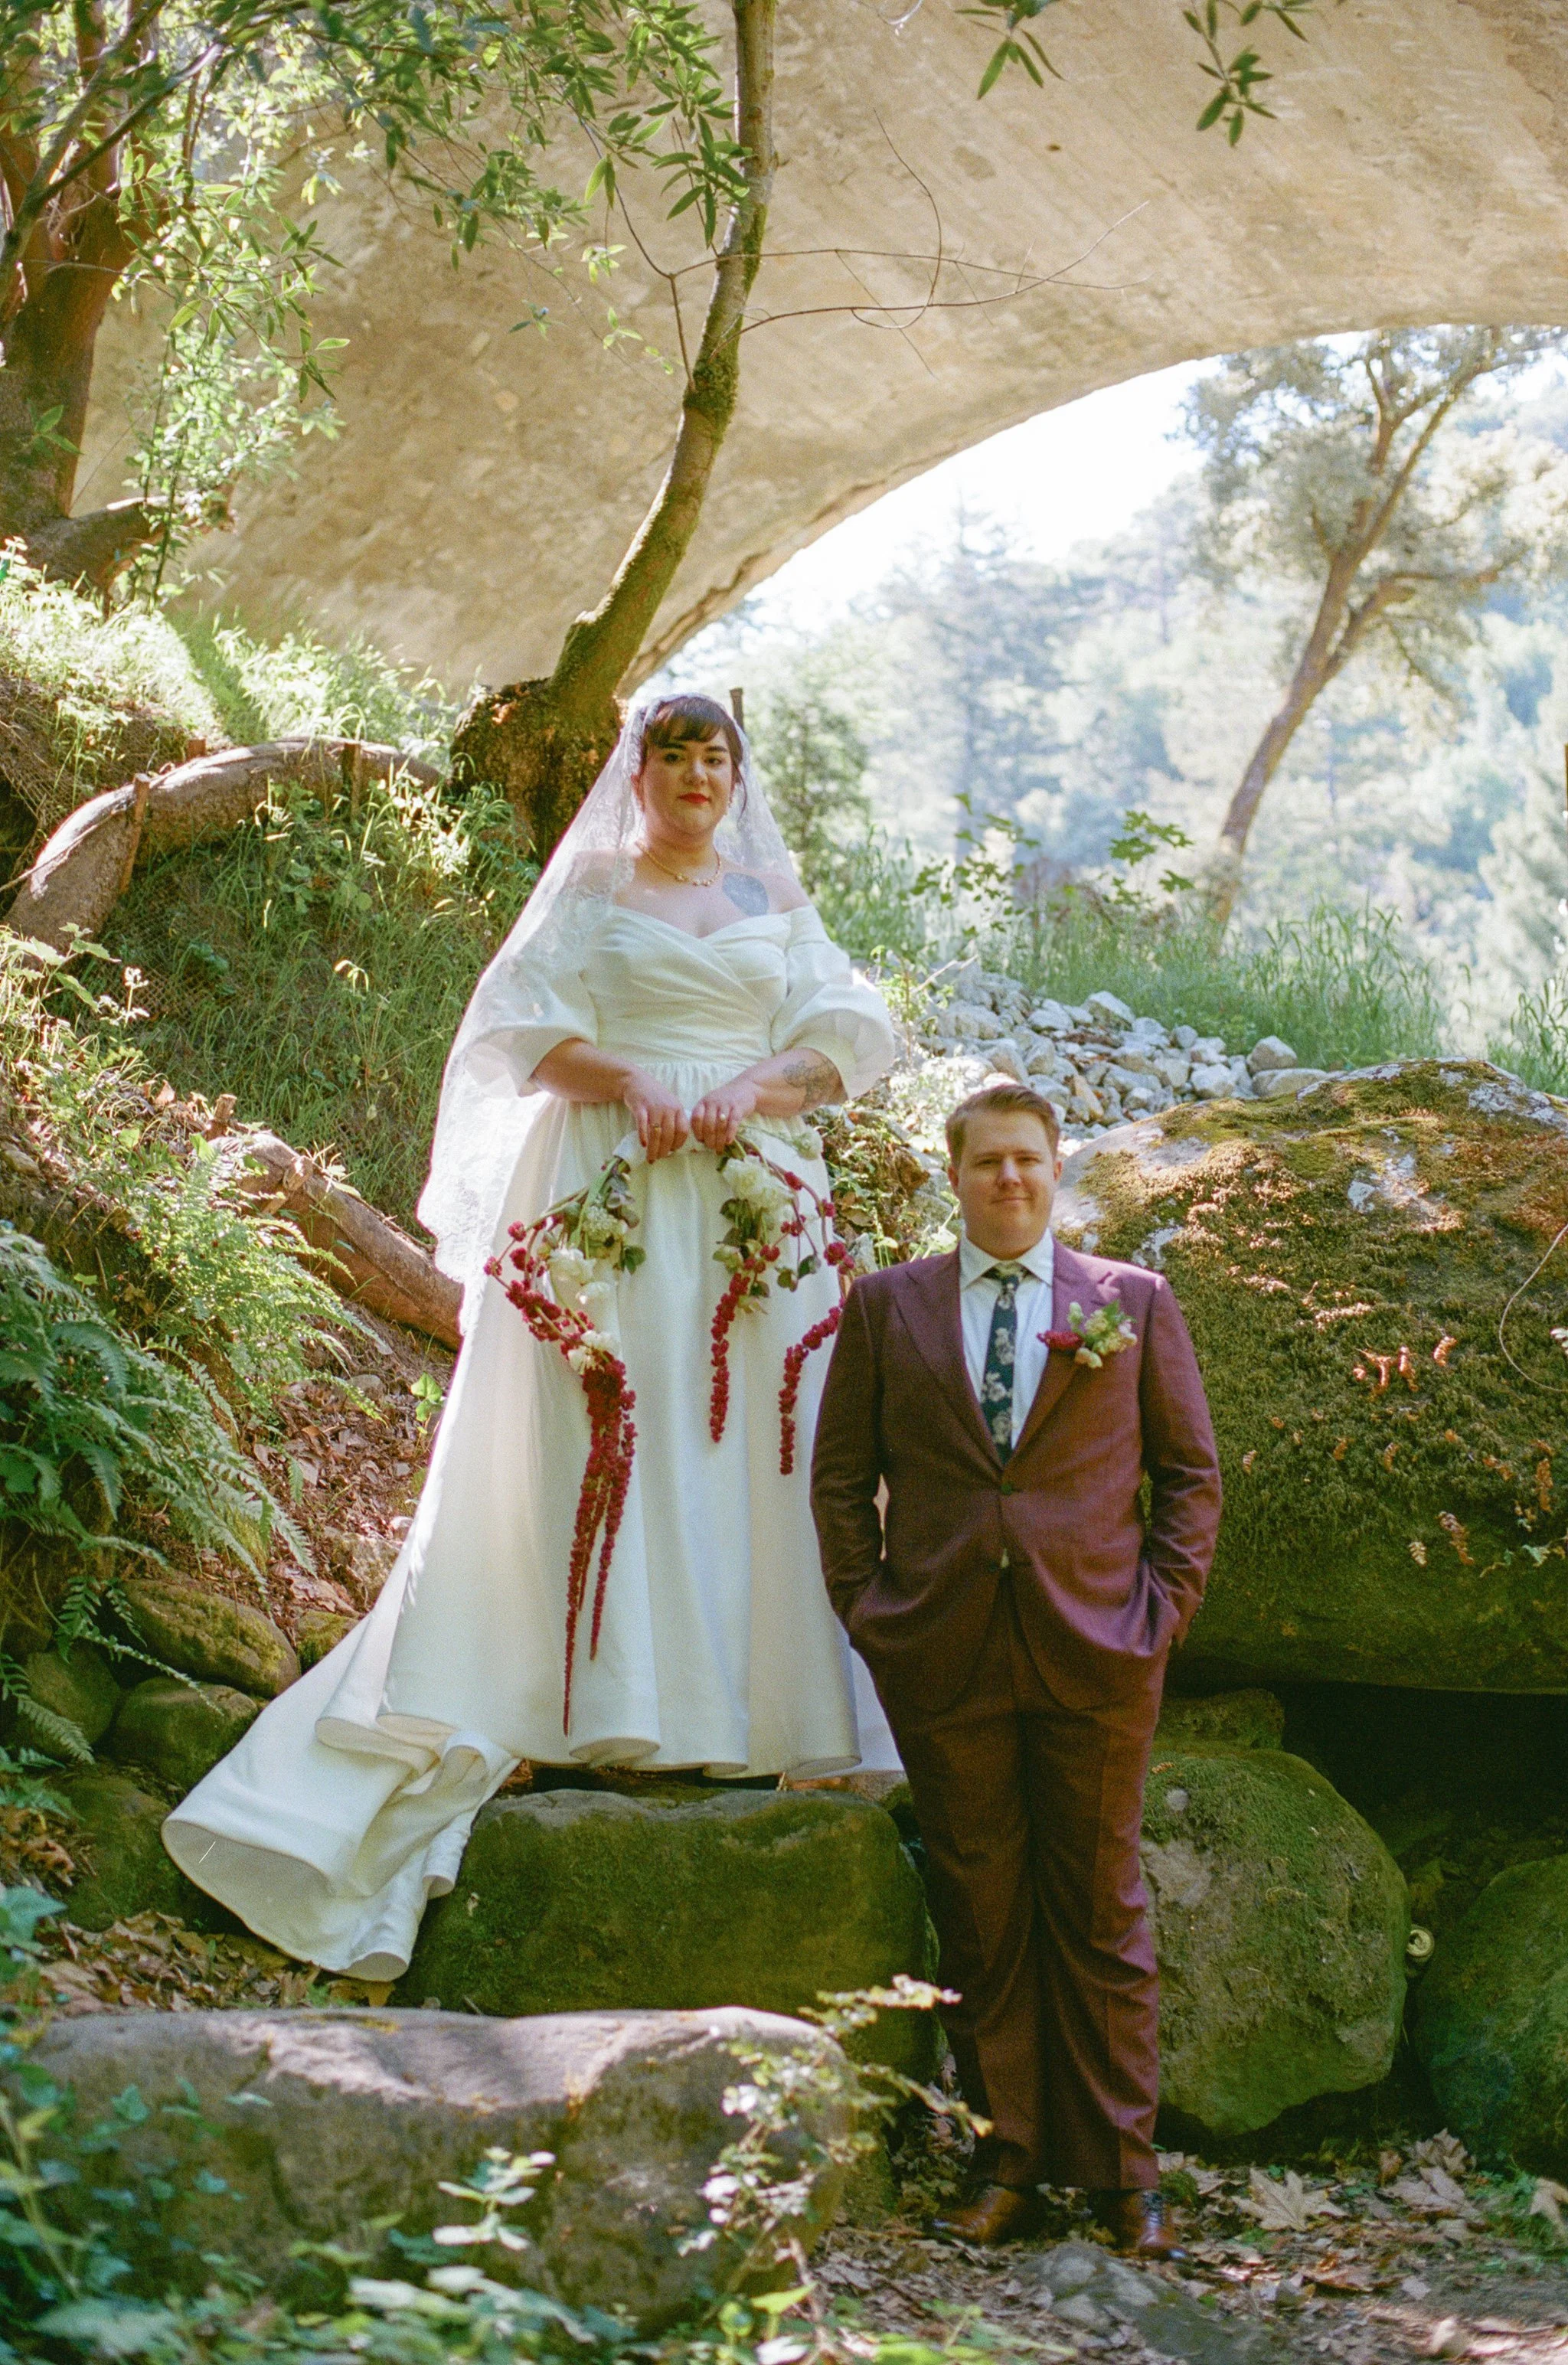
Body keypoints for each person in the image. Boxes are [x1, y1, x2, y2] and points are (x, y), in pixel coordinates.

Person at [163, 693, 900, 1981]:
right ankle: (602, 1697)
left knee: (757, 1431)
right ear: (643, 772)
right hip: (608, 1180)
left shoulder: (774, 892)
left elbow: (848, 1037)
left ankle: (760, 1706)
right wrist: (636, 1081)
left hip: (754, 1189)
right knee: (610, 1424)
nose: (694, 774)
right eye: (672, 755)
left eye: (713, 756)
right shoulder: (598, 889)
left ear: (736, 776)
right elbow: (520, 1033)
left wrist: (744, 1089)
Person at [809, 1082, 1222, 2256]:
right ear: (955, 1174)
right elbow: (841, 1481)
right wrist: (870, 1606)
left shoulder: (1130, 1303)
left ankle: (1124, 2174)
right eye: (988, 1162)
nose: (1010, 1180)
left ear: (1057, 1172)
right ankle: (1011, 2158)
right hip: (943, 1652)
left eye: (1030, 1162)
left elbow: (1190, 1478)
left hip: (1100, 1649)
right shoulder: (889, 1309)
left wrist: (1163, 1610)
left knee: (1099, 1909)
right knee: (982, 1914)